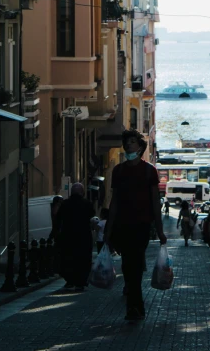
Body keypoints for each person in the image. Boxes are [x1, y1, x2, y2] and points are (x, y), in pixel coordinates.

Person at [104, 129, 167, 321]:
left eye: (132, 142)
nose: (128, 145)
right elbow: (114, 202)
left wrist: (160, 229)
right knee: (129, 265)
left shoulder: (149, 171)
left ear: (140, 147)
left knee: (135, 265)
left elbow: (155, 201)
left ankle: (134, 306)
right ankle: (135, 306)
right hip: (122, 226)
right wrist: (108, 230)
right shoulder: (119, 171)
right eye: (127, 143)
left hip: (141, 225)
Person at [55, 182, 94, 291]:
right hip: (83, 237)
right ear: (82, 192)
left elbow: (58, 219)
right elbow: (92, 217)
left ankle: (70, 280)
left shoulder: (65, 204)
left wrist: (56, 233)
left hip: (68, 237)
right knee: (83, 259)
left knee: (68, 258)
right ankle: (81, 282)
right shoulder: (87, 204)